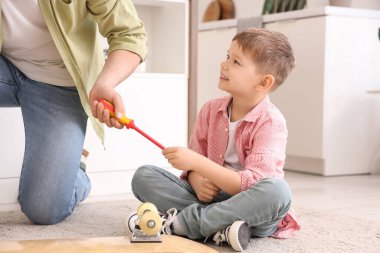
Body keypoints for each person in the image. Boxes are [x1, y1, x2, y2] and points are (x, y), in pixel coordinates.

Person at [131, 28, 300, 252]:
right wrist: (197, 180)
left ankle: (185, 224)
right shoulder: (211, 110)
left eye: (236, 62)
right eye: (227, 56)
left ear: (263, 82)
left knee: (278, 192)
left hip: (251, 206)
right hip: (210, 200)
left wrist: (198, 164)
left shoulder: (271, 122)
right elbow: (193, 168)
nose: (224, 64)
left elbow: (254, 184)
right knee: (143, 176)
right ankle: (222, 228)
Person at [0, 0, 147, 225]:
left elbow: (130, 33)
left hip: (58, 81)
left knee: (44, 210)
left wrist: (105, 82)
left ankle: (74, 171)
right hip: (5, 64)